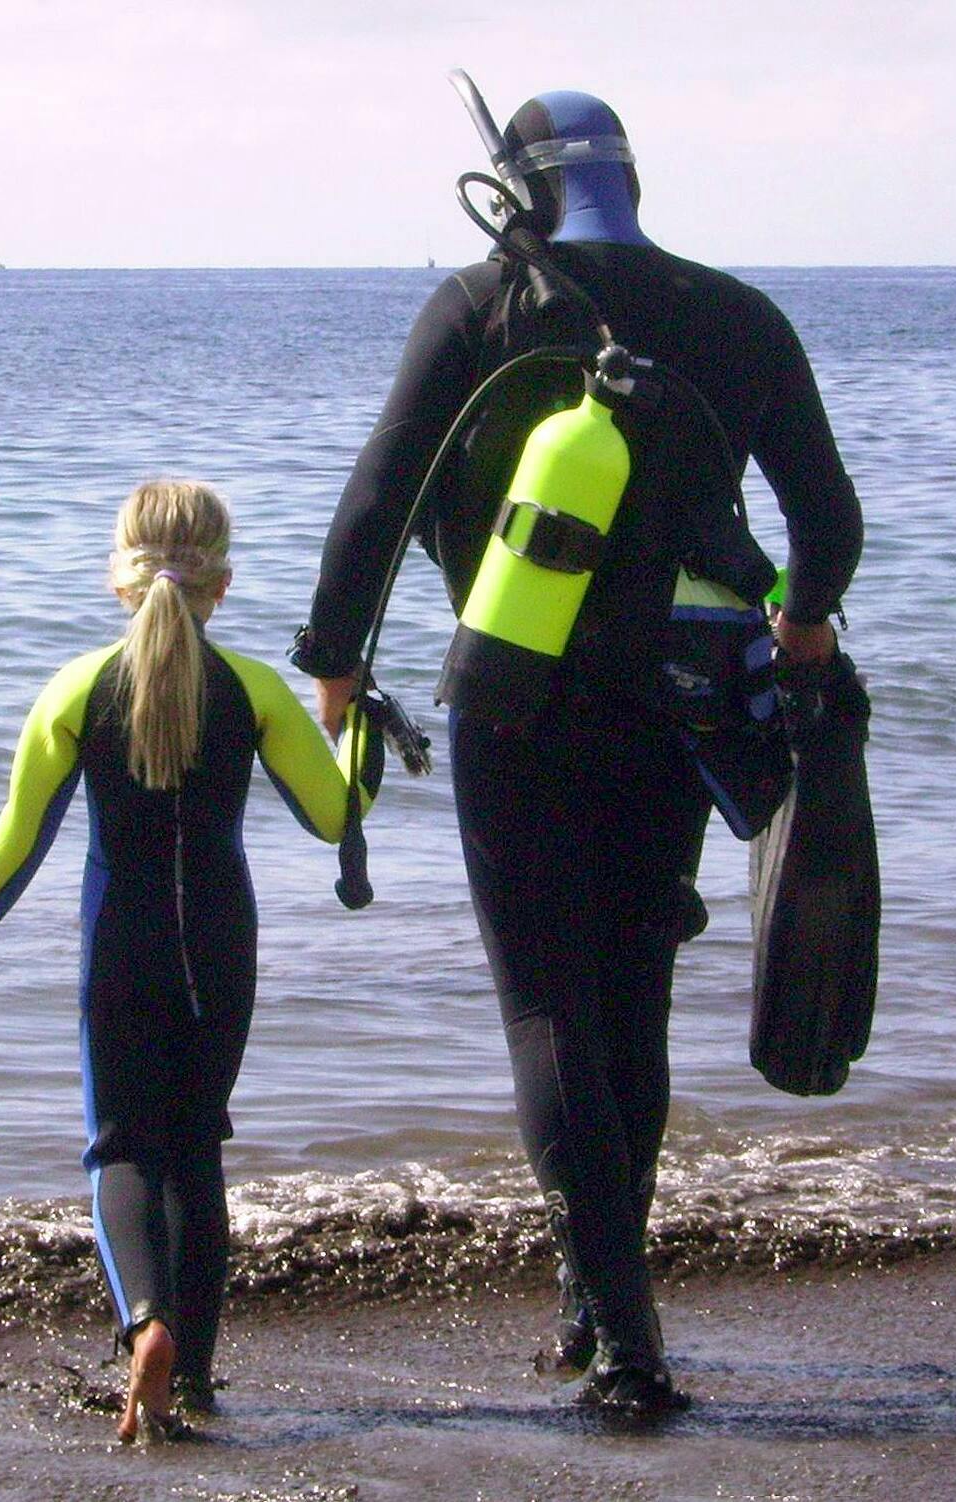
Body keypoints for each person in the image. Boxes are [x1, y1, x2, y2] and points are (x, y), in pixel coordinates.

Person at [289, 89, 862, 1413]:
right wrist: (800, 627)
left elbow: (378, 493)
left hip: (514, 698)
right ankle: (592, 1302)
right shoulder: (738, 316)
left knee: (546, 1009)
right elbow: (825, 518)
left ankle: (624, 1344)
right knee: (629, 998)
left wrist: (334, 658)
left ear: (517, 189)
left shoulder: (476, 307)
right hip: (679, 700)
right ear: (629, 179)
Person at [0, 479, 378, 1443]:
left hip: (118, 945)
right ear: (223, 583)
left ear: (118, 578)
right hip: (220, 944)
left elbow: (16, 843)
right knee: (195, 1149)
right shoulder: (253, 688)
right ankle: (198, 1377)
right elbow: (334, 815)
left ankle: (147, 1324)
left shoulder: (75, 687)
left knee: (122, 1148)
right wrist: (360, 729)